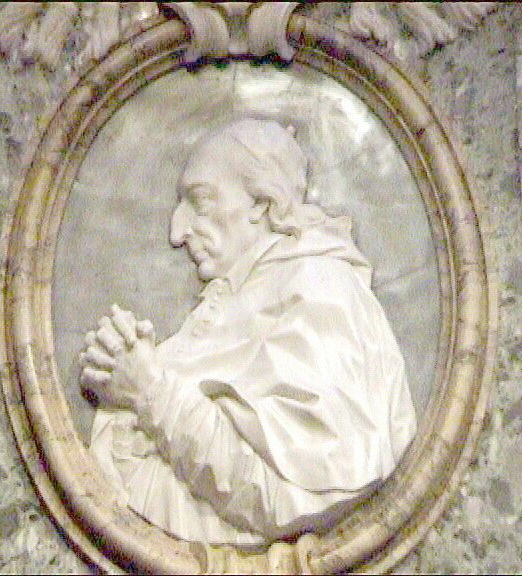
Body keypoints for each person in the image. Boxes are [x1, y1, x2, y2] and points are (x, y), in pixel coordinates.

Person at [80, 118, 417, 545]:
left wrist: (149, 390)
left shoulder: (318, 291)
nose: (177, 231)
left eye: (200, 203)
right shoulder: (235, 300)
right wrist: (120, 379)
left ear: (261, 203)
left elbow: (285, 497)